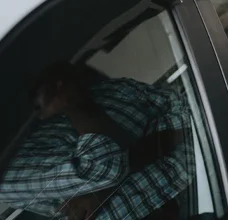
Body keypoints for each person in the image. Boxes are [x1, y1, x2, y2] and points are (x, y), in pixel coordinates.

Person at [0, 63, 195, 220]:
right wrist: (74, 104)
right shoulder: (7, 170)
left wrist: (105, 187)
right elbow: (102, 166)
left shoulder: (105, 90)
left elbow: (189, 113)